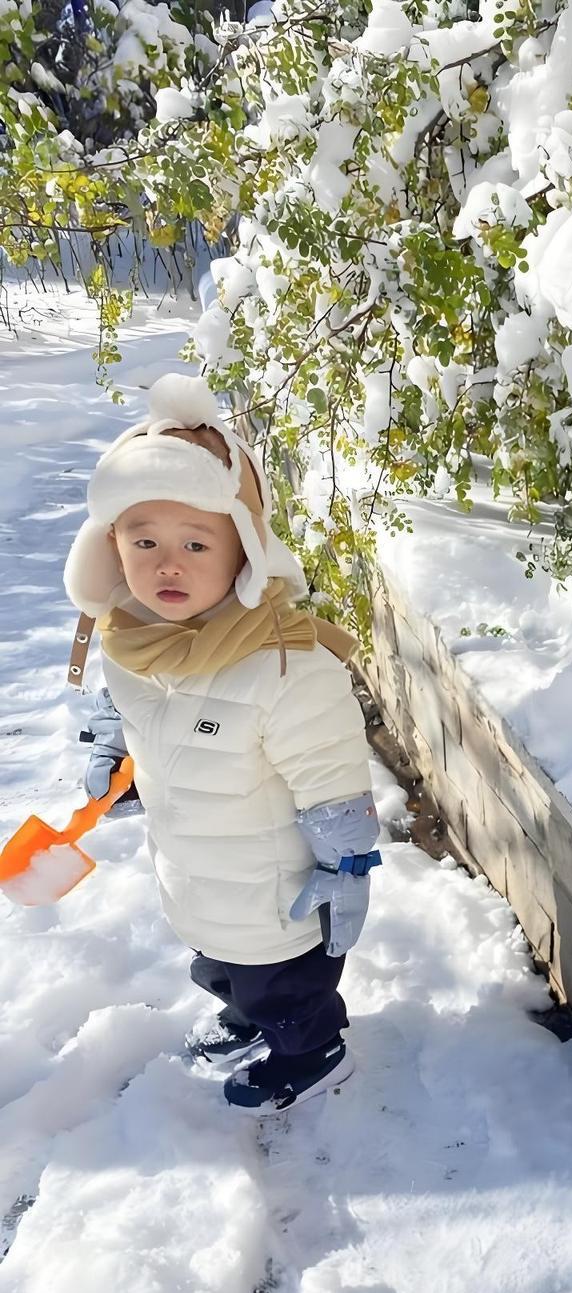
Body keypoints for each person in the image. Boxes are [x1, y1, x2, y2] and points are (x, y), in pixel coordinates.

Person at [63, 372, 380, 1112]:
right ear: (111, 547)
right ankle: (244, 1012)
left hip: (277, 893)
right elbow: (132, 710)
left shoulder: (283, 663)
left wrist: (348, 862)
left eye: (195, 542)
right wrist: (116, 759)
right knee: (220, 964)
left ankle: (315, 1051)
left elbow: (332, 773)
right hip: (198, 872)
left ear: (242, 551)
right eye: (144, 540)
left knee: (285, 985)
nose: (166, 563)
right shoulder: (133, 642)